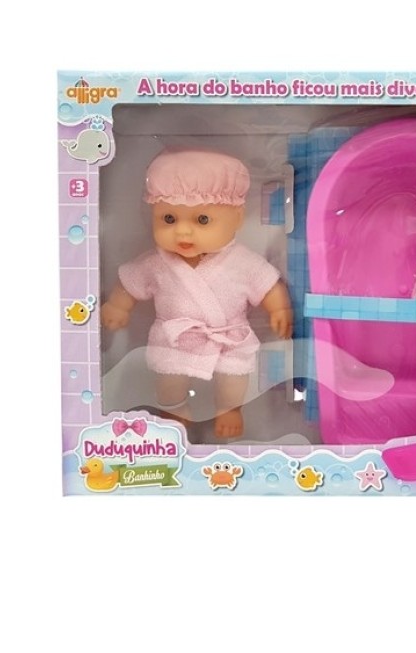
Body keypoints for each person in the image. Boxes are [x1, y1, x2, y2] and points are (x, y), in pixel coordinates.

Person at [101, 150, 293, 440]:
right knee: (169, 380)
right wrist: (118, 305)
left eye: (202, 219)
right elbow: (130, 282)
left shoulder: (242, 261)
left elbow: (268, 285)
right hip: (175, 337)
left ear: (237, 218)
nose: (182, 232)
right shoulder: (156, 262)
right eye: (168, 218)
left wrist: (280, 310)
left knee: (233, 377)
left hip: (229, 336)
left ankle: (229, 409)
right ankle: (174, 408)